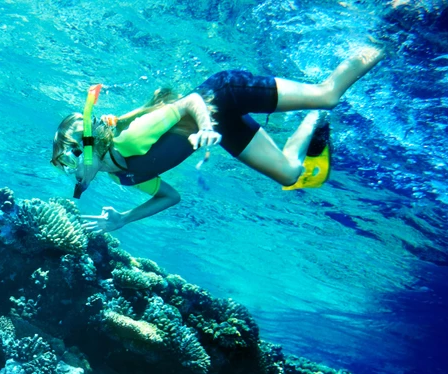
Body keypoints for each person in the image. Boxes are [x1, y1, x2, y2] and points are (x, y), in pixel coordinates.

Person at [50, 46, 385, 234]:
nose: (74, 165)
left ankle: (382, 39)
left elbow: (189, 102)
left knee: (327, 94)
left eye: (76, 150)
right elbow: (170, 196)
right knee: (289, 174)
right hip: (217, 122)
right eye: (67, 160)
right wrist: (124, 218)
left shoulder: (130, 140)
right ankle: (315, 120)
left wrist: (205, 126)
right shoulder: (122, 177)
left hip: (222, 95)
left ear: (90, 143)